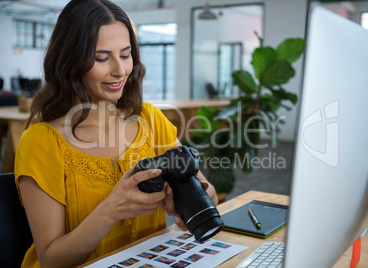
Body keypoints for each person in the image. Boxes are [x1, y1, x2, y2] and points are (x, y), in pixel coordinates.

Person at [15, 0, 218, 267]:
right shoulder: (41, 141)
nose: (120, 70)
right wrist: (110, 211)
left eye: (125, 55)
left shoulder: (150, 118)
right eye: (101, 58)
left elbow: (210, 193)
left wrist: (190, 200)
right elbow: (51, 259)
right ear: (70, 61)